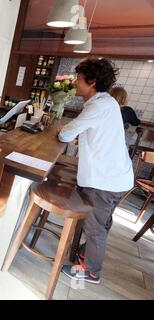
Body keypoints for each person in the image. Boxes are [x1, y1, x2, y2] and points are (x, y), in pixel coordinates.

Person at [57, 58, 134, 284]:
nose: (75, 83)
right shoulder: (107, 103)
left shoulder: (98, 106)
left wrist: (65, 130)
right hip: (116, 178)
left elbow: (65, 135)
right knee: (102, 224)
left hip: (104, 181)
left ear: (91, 82)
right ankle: (86, 253)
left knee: (95, 228)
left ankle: (91, 271)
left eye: (79, 79)